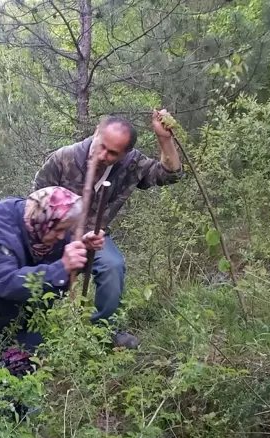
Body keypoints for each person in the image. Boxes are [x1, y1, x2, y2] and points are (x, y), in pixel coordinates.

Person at [32, 110, 183, 349]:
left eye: (112, 153)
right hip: (55, 236)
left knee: (113, 266)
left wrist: (164, 138)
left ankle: (104, 332)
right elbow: (35, 202)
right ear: (95, 133)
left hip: (96, 237)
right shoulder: (64, 158)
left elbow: (170, 175)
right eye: (101, 145)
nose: (102, 155)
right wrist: (56, 239)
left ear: (125, 153)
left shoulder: (131, 164)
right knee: (40, 277)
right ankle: (32, 332)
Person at [0, 186, 105, 372]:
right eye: (60, 230)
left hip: (7, 317)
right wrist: (62, 267)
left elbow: (49, 251)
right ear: (42, 221)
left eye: (66, 229)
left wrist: (81, 249)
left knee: (33, 360)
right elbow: (9, 283)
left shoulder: (32, 217)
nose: (63, 236)